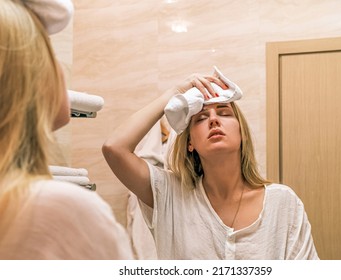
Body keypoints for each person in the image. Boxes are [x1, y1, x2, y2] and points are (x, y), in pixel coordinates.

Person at [102, 65, 319, 259]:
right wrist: (174, 93)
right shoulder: (168, 194)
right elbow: (114, 148)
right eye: (201, 118)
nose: (213, 119)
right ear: (190, 143)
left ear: (242, 132)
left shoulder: (283, 203)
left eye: (224, 113)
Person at [0, 0, 132, 259]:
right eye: (51, 53)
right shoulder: (60, 213)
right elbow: (116, 147)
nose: (62, 69)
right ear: (29, 77)